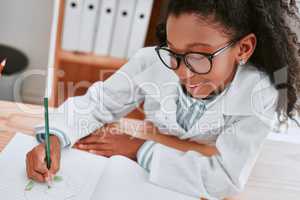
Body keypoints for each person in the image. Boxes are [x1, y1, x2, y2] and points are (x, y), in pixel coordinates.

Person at [26, 0, 300, 199]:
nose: (182, 71)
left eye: (199, 56)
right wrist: (54, 137)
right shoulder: (151, 62)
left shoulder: (260, 93)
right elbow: (98, 104)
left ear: (244, 48)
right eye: (173, 52)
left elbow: (225, 179)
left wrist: (137, 149)